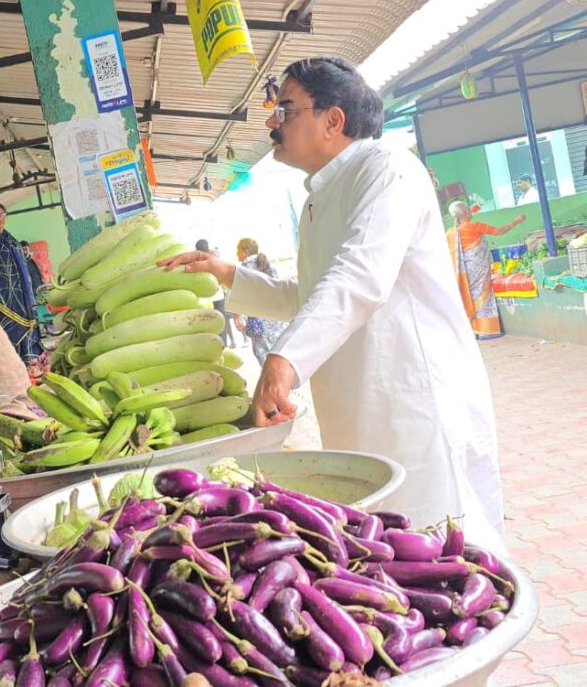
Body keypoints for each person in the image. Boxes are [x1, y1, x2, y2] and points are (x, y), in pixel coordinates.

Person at [160, 56, 504, 544]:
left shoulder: (387, 169)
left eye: (286, 108)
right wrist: (228, 274)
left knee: (442, 541)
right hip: (356, 406)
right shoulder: (318, 199)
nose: (271, 122)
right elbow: (311, 297)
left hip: (413, 399)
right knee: (384, 542)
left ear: (333, 120)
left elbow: (360, 276)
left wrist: (283, 360)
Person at [0, 203, 41, 362]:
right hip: (3, 295)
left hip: (22, 295)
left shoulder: (11, 239)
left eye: (3, 215)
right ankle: (15, 363)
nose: (0, 219)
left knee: (28, 325)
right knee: (11, 329)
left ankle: (31, 361)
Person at [447, 201, 525, 340]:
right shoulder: (475, 226)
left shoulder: (451, 233)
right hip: (479, 269)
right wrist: (516, 221)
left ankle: (474, 329)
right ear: (466, 213)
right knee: (483, 296)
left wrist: (471, 210)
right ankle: (486, 330)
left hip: (464, 272)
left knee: (470, 297)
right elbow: (499, 231)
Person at [233, 238, 287, 365]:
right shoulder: (268, 265)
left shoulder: (243, 269)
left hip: (257, 322)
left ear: (245, 252)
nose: (236, 254)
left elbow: (238, 294)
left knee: (264, 357)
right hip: (276, 319)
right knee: (279, 354)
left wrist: (237, 316)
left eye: (238, 250)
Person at [194, 239, 238, 348]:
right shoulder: (215, 257)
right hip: (217, 296)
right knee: (220, 321)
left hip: (208, 298)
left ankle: (217, 347)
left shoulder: (200, 259)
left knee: (210, 323)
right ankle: (222, 347)